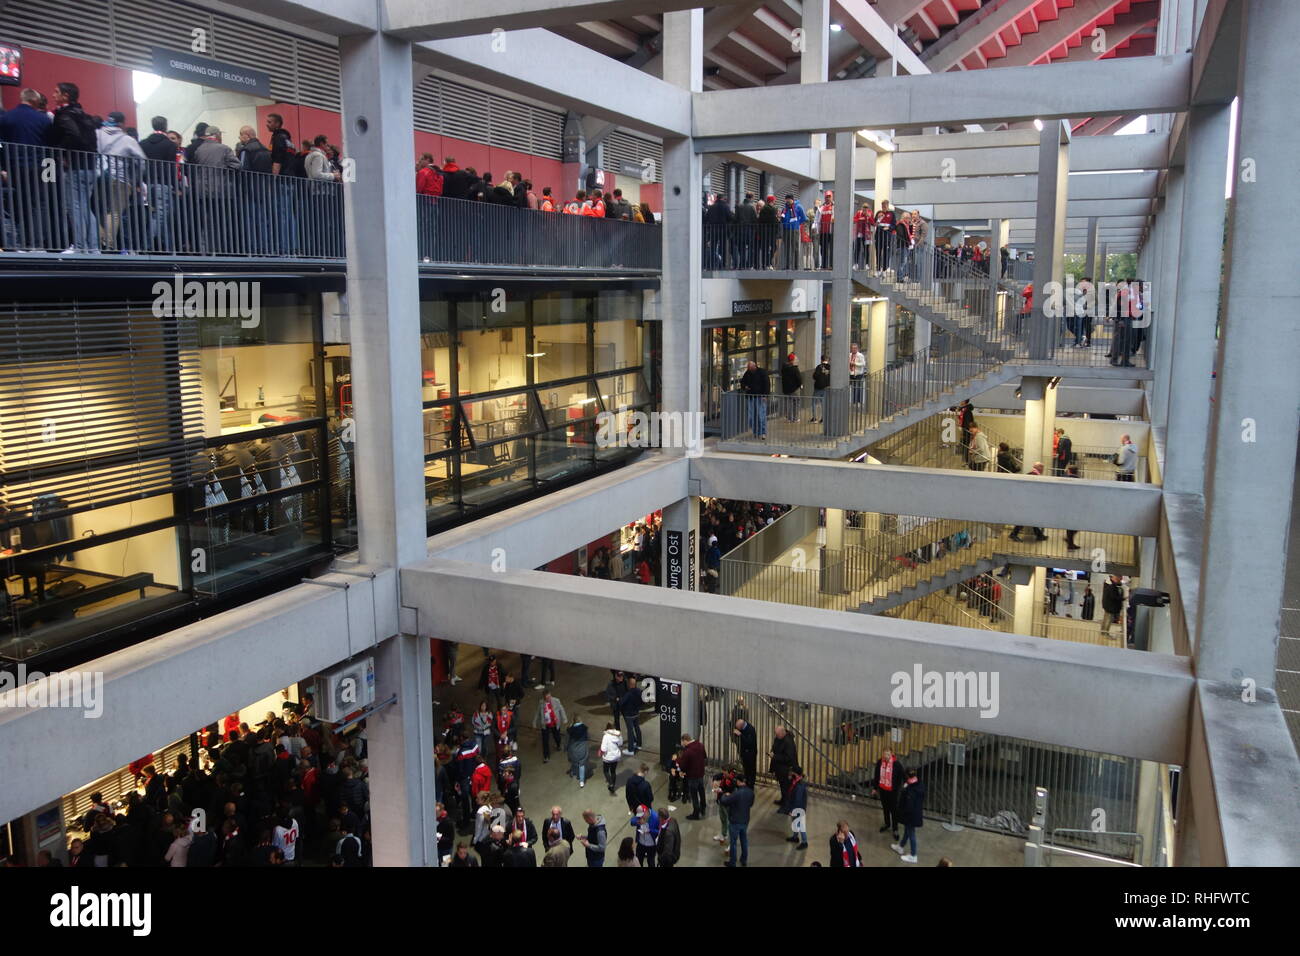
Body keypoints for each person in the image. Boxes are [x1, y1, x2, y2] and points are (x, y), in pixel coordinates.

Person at [718, 775, 755, 867]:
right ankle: (744, 860)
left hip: (735, 820)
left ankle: (732, 862)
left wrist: (723, 794)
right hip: (745, 820)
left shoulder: (737, 793)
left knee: (733, 842)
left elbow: (724, 801)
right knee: (744, 840)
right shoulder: (751, 792)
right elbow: (750, 804)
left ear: (739, 782)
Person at [871, 748, 905, 841]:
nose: (886, 756)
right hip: (883, 790)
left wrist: (901, 787)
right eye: (885, 754)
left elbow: (902, 775)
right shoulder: (880, 762)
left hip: (893, 791)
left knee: (894, 810)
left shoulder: (896, 764)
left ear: (891, 754)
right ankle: (887, 823)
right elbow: (877, 775)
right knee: (885, 808)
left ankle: (895, 828)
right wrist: (875, 788)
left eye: (888, 754)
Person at [1009, 463, 1048, 541]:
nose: (1043, 469)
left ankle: (1039, 534)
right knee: (1026, 518)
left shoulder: (1032, 474)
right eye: (1042, 467)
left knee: (1030, 518)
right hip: (1028, 500)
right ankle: (1013, 534)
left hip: (1027, 500)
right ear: (1038, 468)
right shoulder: (1034, 475)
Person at [894, 768, 925, 863]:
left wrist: (901, 812)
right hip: (915, 814)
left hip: (910, 815)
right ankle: (901, 846)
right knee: (907, 831)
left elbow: (908, 805)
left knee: (911, 833)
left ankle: (913, 855)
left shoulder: (910, 789)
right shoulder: (919, 785)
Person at [532, 690, 568, 762]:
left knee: (557, 736)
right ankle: (546, 756)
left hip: (554, 723)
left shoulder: (556, 701)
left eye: (549, 697)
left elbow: (561, 709)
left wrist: (564, 719)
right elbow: (537, 713)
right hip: (545, 724)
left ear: (550, 695)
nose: (548, 698)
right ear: (544, 697)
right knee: (545, 741)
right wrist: (534, 723)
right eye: (546, 697)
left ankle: (558, 745)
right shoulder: (541, 703)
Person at [680, 733, 708, 820]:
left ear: (685, 740)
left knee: (694, 795)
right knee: (701, 790)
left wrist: (682, 772)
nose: (682, 744)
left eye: (682, 742)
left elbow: (683, 766)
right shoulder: (700, 745)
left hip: (692, 776)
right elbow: (704, 757)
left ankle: (696, 813)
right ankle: (703, 807)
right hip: (700, 773)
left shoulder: (687, 752)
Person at [768, 725, 798, 808]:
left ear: (783, 732)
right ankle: (783, 801)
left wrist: (775, 756)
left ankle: (786, 806)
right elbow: (776, 747)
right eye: (776, 734)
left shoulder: (788, 742)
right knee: (782, 786)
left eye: (777, 734)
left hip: (786, 770)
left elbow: (788, 758)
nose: (776, 736)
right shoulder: (780, 738)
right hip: (780, 768)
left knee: (786, 787)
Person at [739, 359, 769, 439]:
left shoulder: (762, 372)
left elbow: (766, 384)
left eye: (750, 367)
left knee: (761, 415)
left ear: (754, 366)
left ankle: (763, 432)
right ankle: (756, 432)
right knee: (751, 416)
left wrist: (765, 396)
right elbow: (742, 382)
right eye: (748, 368)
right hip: (750, 397)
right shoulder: (747, 373)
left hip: (760, 397)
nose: (749, 369)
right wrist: (745, 386)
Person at [783, 766, 809, 849]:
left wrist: (792, 810)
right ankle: (795, 837)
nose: (790, 773)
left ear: (795, 774)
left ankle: (804, 842)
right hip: (797, 807)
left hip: (798, 808)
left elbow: (797, 799)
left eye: (792, 772)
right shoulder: (796, 781)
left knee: (800, 825)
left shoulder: (799, 785)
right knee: (795, 823)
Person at [619, 675, 643, 753]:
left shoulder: (628, 694)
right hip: (636, 713)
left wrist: (619, 699)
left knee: (630, 731)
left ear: (630, 684)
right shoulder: (639, 691)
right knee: (637, 728)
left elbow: (621, 702)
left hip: (629, 715)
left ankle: (631, 749)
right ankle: (639, 745)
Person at [733, 717, 758, 786]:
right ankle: (746, 782)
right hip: (744, 753)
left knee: (751, 770)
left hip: (751, 754)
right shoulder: (742, 728)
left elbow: (749, 743)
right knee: (746, 770)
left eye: (738, 728)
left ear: (741, 726)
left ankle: (751, 785)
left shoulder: (751, 730)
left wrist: (740, 735)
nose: (737, 729)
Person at [1062, 463, 1082, 549]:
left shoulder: (1064, 479)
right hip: (1075, 505)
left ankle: (1069, 541)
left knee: (1070, 525)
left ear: (1069, 471)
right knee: (1075, 525)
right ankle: (1070, 543)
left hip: (1065, 505)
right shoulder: (1080, 481)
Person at [873, 199, 896, 272]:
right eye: (882, 205)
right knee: (878, 252)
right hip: (879, 234)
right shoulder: (879, 213)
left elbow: (894, 225)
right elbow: (874, 223)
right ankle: (878, 269)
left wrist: (889, 228)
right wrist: (878, 218)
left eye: (885, 205)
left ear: (887, 205)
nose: (884, 207)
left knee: (886, 251)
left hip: (887, 235)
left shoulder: (892, 213)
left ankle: (885, 268)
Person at [600, 723, 623, 793]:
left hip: (608, 757)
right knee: (613, 771)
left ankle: (611, 784)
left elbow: (603, 749)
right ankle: (613, 785)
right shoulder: (618, 735)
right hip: (616, 756)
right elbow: (620, 743)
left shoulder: (606, 736)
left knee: (606, 771)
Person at [566, 717, 589, 787]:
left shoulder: (570, 731)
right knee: (581, 764)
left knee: (574, 762)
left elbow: (566, 741)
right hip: (582, 749)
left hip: (573, 750)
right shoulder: (584, 729)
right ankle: (581, 781)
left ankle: (574, 772)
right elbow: (587, 737)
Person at [780, 353, 803, 422]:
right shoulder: (795, 369)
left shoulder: (784, 369)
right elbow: (799, 379)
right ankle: (795, 418)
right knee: (796, 403)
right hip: (794, 389)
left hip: (786, 389)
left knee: (788, 404)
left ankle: (789, 418)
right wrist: (800, 385)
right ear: (792, 360)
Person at [810, 356, 830, 424]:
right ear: (827, 360)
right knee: (824, 403)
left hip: (818, 387)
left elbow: (815, 376)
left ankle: (815, 418)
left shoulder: (819, 367)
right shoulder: (830, 367)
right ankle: (823, 419)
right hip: (826, 387)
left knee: (814, 402)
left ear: (821, 360)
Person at [852, 201, 872, 270]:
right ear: (862, 208)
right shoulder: (859, 213)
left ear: (868, 209)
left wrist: (869, 217)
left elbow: (873, 223)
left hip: (867, 235)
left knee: (866, 249)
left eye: (866, 209)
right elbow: (854, 220)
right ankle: (856, 263)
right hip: (859, 233)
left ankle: (867, 264)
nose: (865, 210)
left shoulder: (870, 214)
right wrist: (859, 219)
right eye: (864, 209)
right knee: (857, 248)